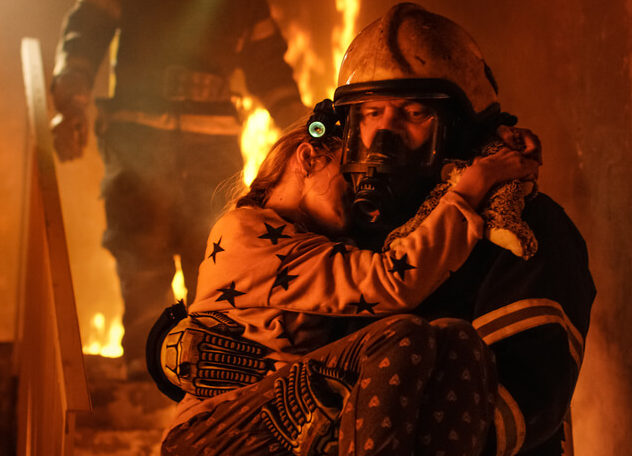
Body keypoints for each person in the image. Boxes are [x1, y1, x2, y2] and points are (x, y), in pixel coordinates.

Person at [156, 2, 595, 455]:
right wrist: (178, 353)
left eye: (414, 114)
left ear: (460, 127)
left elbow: (520, 406)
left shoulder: (526, 228)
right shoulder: (346, 228)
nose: (385, 139)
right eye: (369, 115)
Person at [153, 120, 538, 455]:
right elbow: (394, 282)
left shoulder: (317, 244)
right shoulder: (246, 231)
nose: (359, 192)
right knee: (402, 336)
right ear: (308, 158)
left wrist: (493, 142)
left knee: (457, 339)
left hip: (289, 419)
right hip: (214, 435)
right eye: (349, 175)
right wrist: (472, 186)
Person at [49, 0, 307, 376]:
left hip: (211, 151)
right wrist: (71, 100)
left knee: (212, 261)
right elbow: (83, 33)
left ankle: (204, 377)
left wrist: (307, 128)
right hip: (138, 142)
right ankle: (148, 377)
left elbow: (270, 69)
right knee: (141, 257)